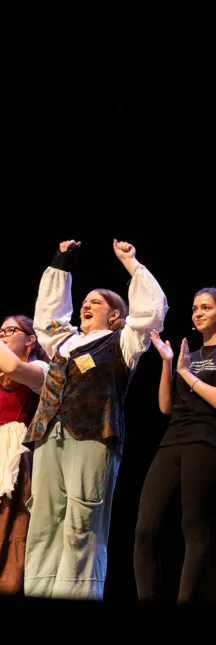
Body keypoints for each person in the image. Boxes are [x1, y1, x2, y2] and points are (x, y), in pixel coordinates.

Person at [24, 239, 168, 599]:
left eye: (96, 302)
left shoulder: (124, 341)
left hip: (93, 436)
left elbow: (152, 312)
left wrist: (131, 263)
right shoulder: (64, 341)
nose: (86, 305)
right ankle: (38, 590)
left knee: (82, 524)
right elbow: (47, 318)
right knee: (43, 521)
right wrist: (60, 264)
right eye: (84, 301)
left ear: (116, 315)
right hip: (49, 434)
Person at [134, 288, 216, 603]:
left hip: (208, 441)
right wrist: (169, 365)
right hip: (173, 440)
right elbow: (166, 407)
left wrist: (185, 372)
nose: (197, 313)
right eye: (195, 308)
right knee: (145, 528)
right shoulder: (188, 356)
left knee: (192, 526)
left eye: (205, 307)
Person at [0, 316, 48, 594]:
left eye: (10, 330)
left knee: (9, 527)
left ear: (31, 339)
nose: (4, 335)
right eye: (1, 330)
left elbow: (14, 367)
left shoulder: (39, 368)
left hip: (14, 459)